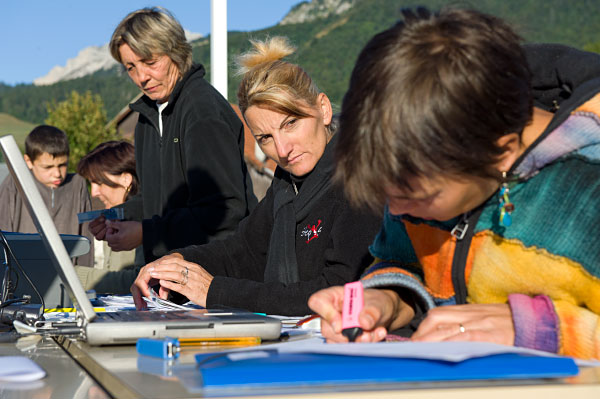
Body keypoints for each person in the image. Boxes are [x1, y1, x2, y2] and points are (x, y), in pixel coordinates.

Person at [308, 7, 600, 360]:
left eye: (421, 197)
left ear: (501, 153)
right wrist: (386, 300)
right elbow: (406, 261)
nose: (397, 210)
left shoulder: (588, 182)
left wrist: (542, 330)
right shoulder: (421, 166)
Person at [130, 37, 382, 316]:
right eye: (265, 138)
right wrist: (177, 264)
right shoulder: (286, 184)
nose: (283, 150)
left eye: (291, 124)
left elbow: (340, 290)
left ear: (323, 109)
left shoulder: (363, 180)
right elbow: (244, 252)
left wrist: (214, 291)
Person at [91, 7, 257, 263]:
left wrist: (147, 232)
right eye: (131, 67)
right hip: (169, 280)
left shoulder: (202, 111)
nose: (142, 77)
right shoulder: (146, 118)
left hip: (216, 277)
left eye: (150, 62)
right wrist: (117, 216)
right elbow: (154, 198)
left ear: (176, 52)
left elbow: (224, 210)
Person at [0, 125, 94, 266]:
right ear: (28, 162)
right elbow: (3, 232)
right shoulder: (14, 185)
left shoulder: (77, 184)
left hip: (71, 275)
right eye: (48, 167)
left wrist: (86, 279)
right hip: (22, 276)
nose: (57, 173)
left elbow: (87, 236)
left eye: (62, 165)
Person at [75, 141, 143, 294]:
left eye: (99, 182)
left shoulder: (145, 219)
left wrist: (74, 276)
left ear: (126, 179)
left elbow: (138, 281)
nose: (94, 193)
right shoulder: (111, 218)